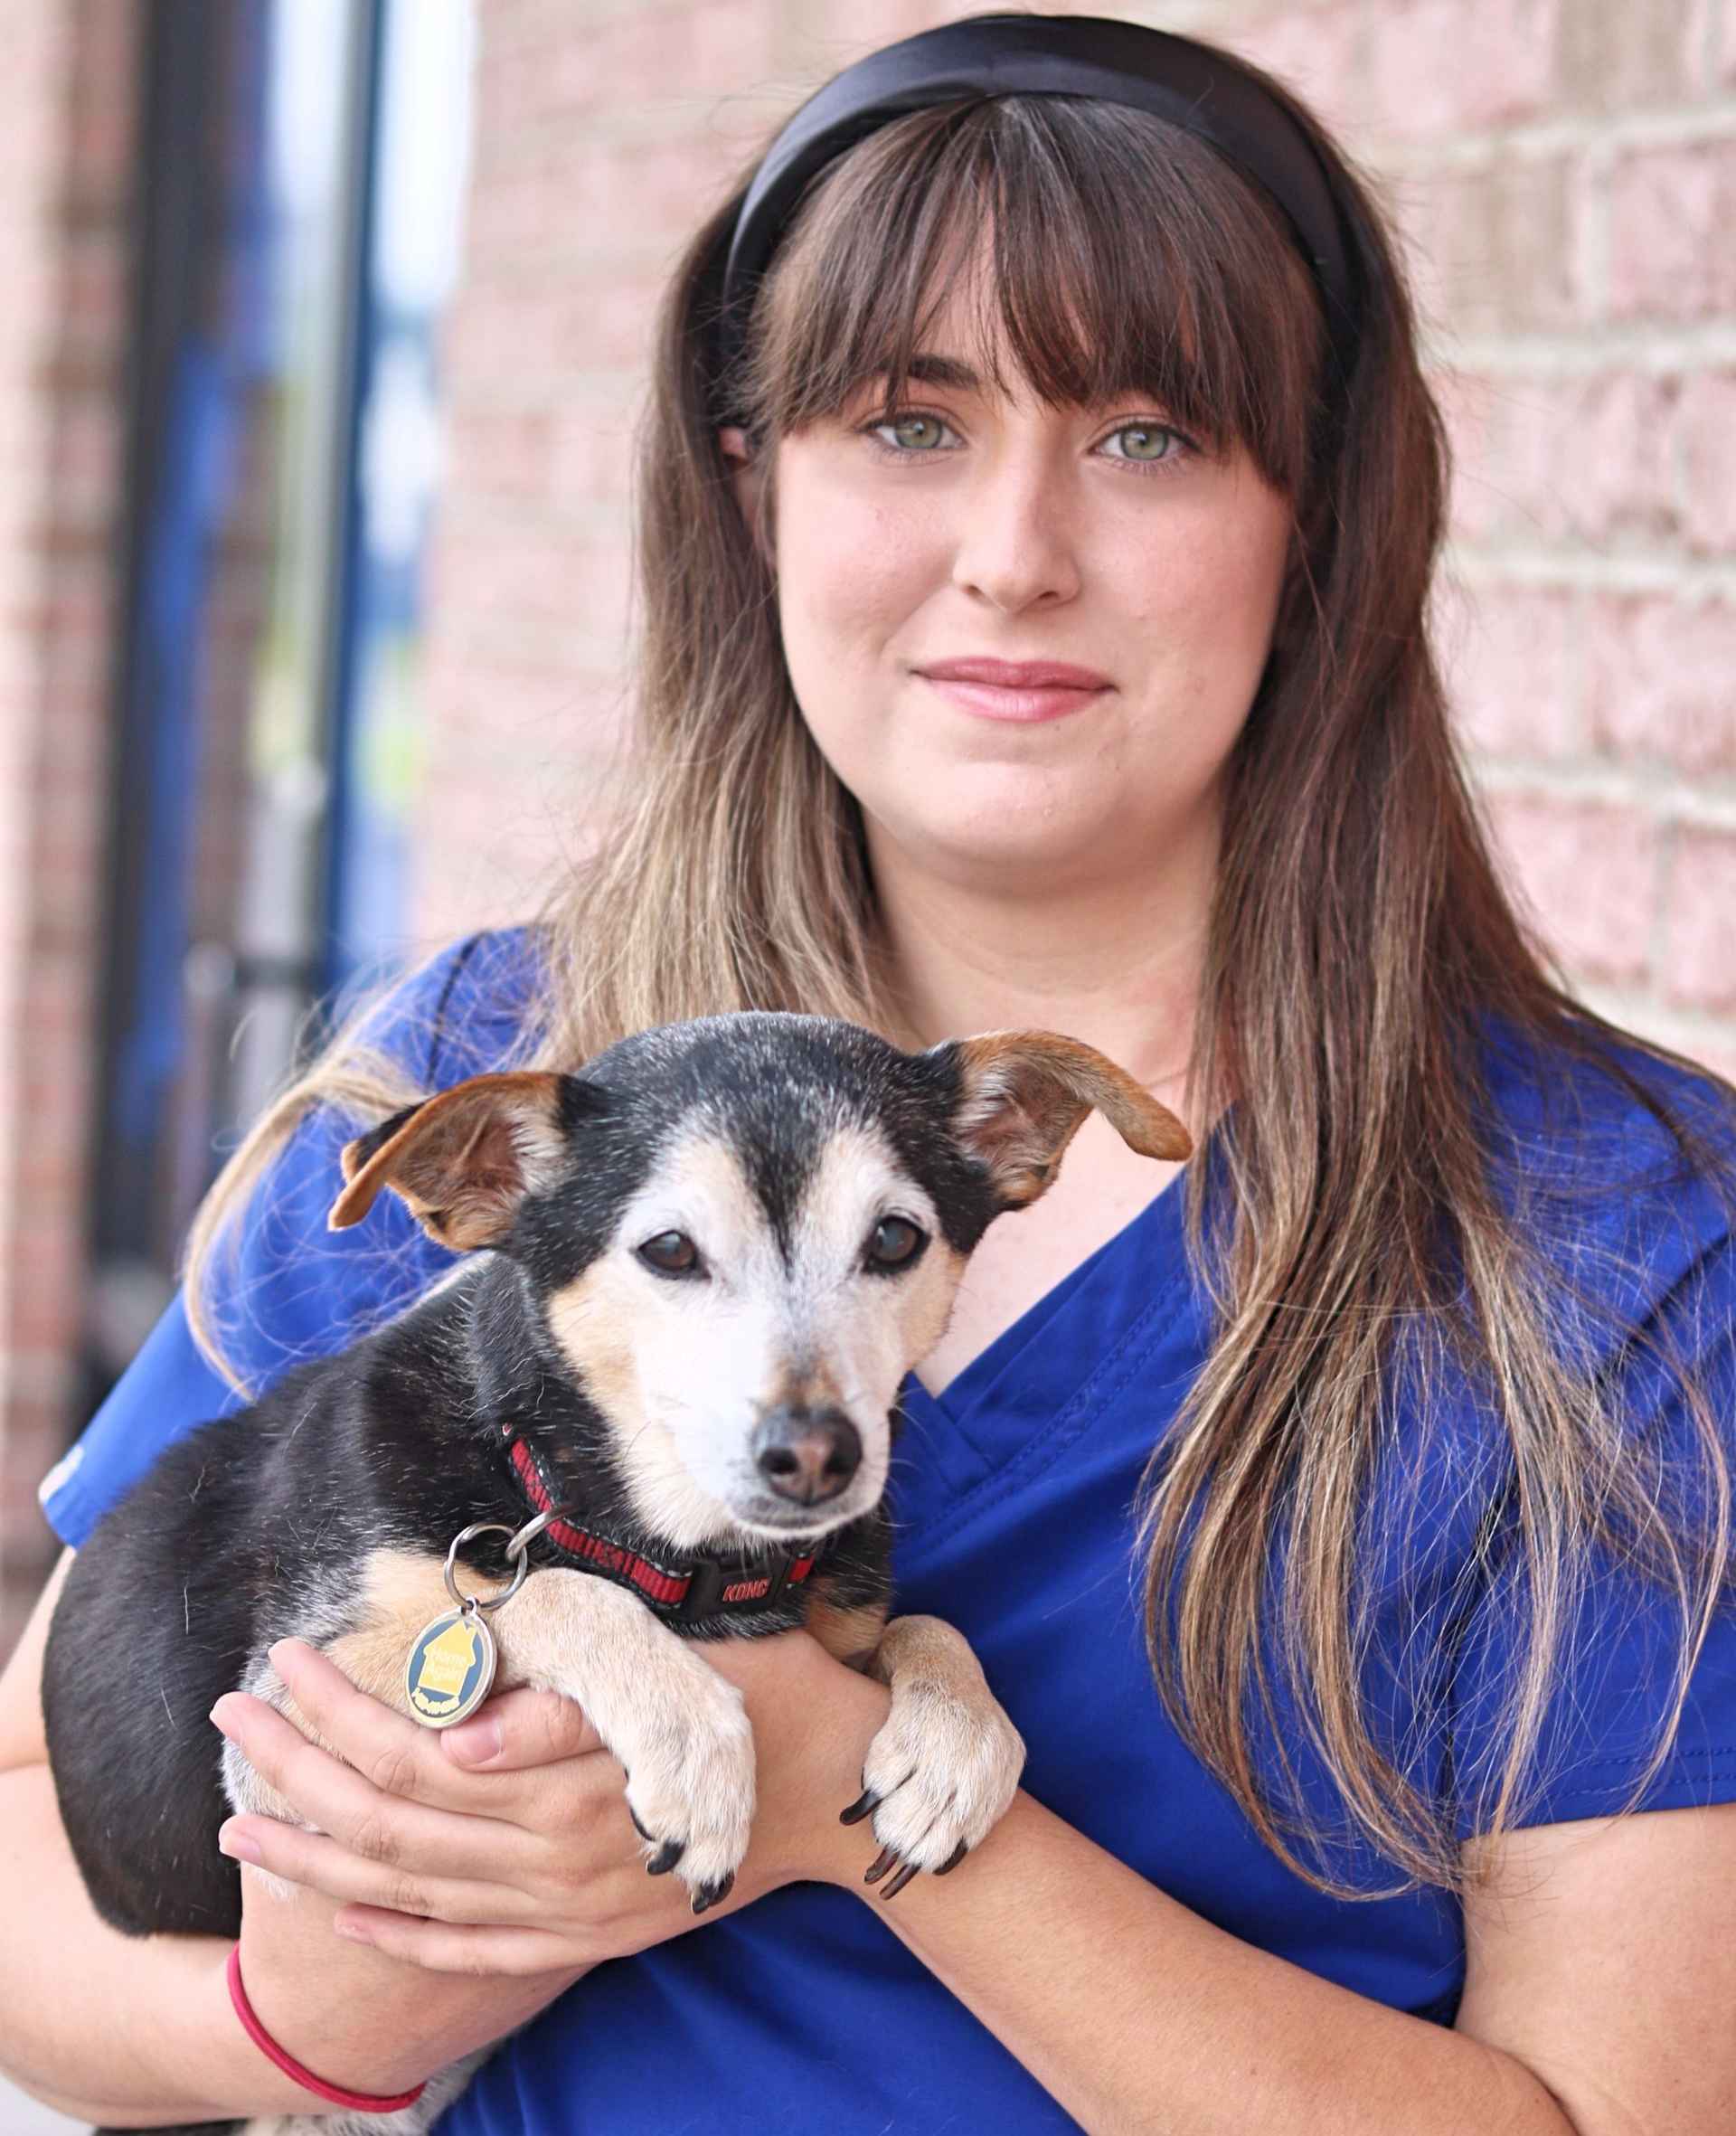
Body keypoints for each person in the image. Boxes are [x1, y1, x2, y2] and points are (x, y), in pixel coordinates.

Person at [4, 13, 1735, 2131]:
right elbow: (31, 1819)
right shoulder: (485, 1073)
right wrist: (303, 2031)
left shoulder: (1617, 1238)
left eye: (1151, 432)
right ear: (754, 483)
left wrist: (849, 1794)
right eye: (908, 425)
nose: (1015, 549)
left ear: (1328, 518)